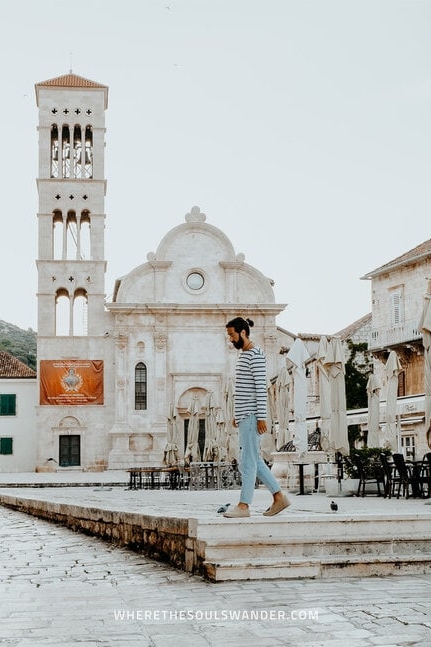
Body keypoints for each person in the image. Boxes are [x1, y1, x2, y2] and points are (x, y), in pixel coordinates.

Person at [223, 317, 290, 518]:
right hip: (245, 415)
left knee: (248, 462)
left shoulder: (256, 355)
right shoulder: (244, 356)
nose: (230, 339)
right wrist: (237, 413)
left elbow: (261, 388)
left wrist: (262, 417)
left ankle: (244, 506)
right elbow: (244, 389)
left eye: (232, 335)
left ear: (243, 333)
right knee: (250, 461)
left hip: (253, 416)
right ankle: (279, 497)